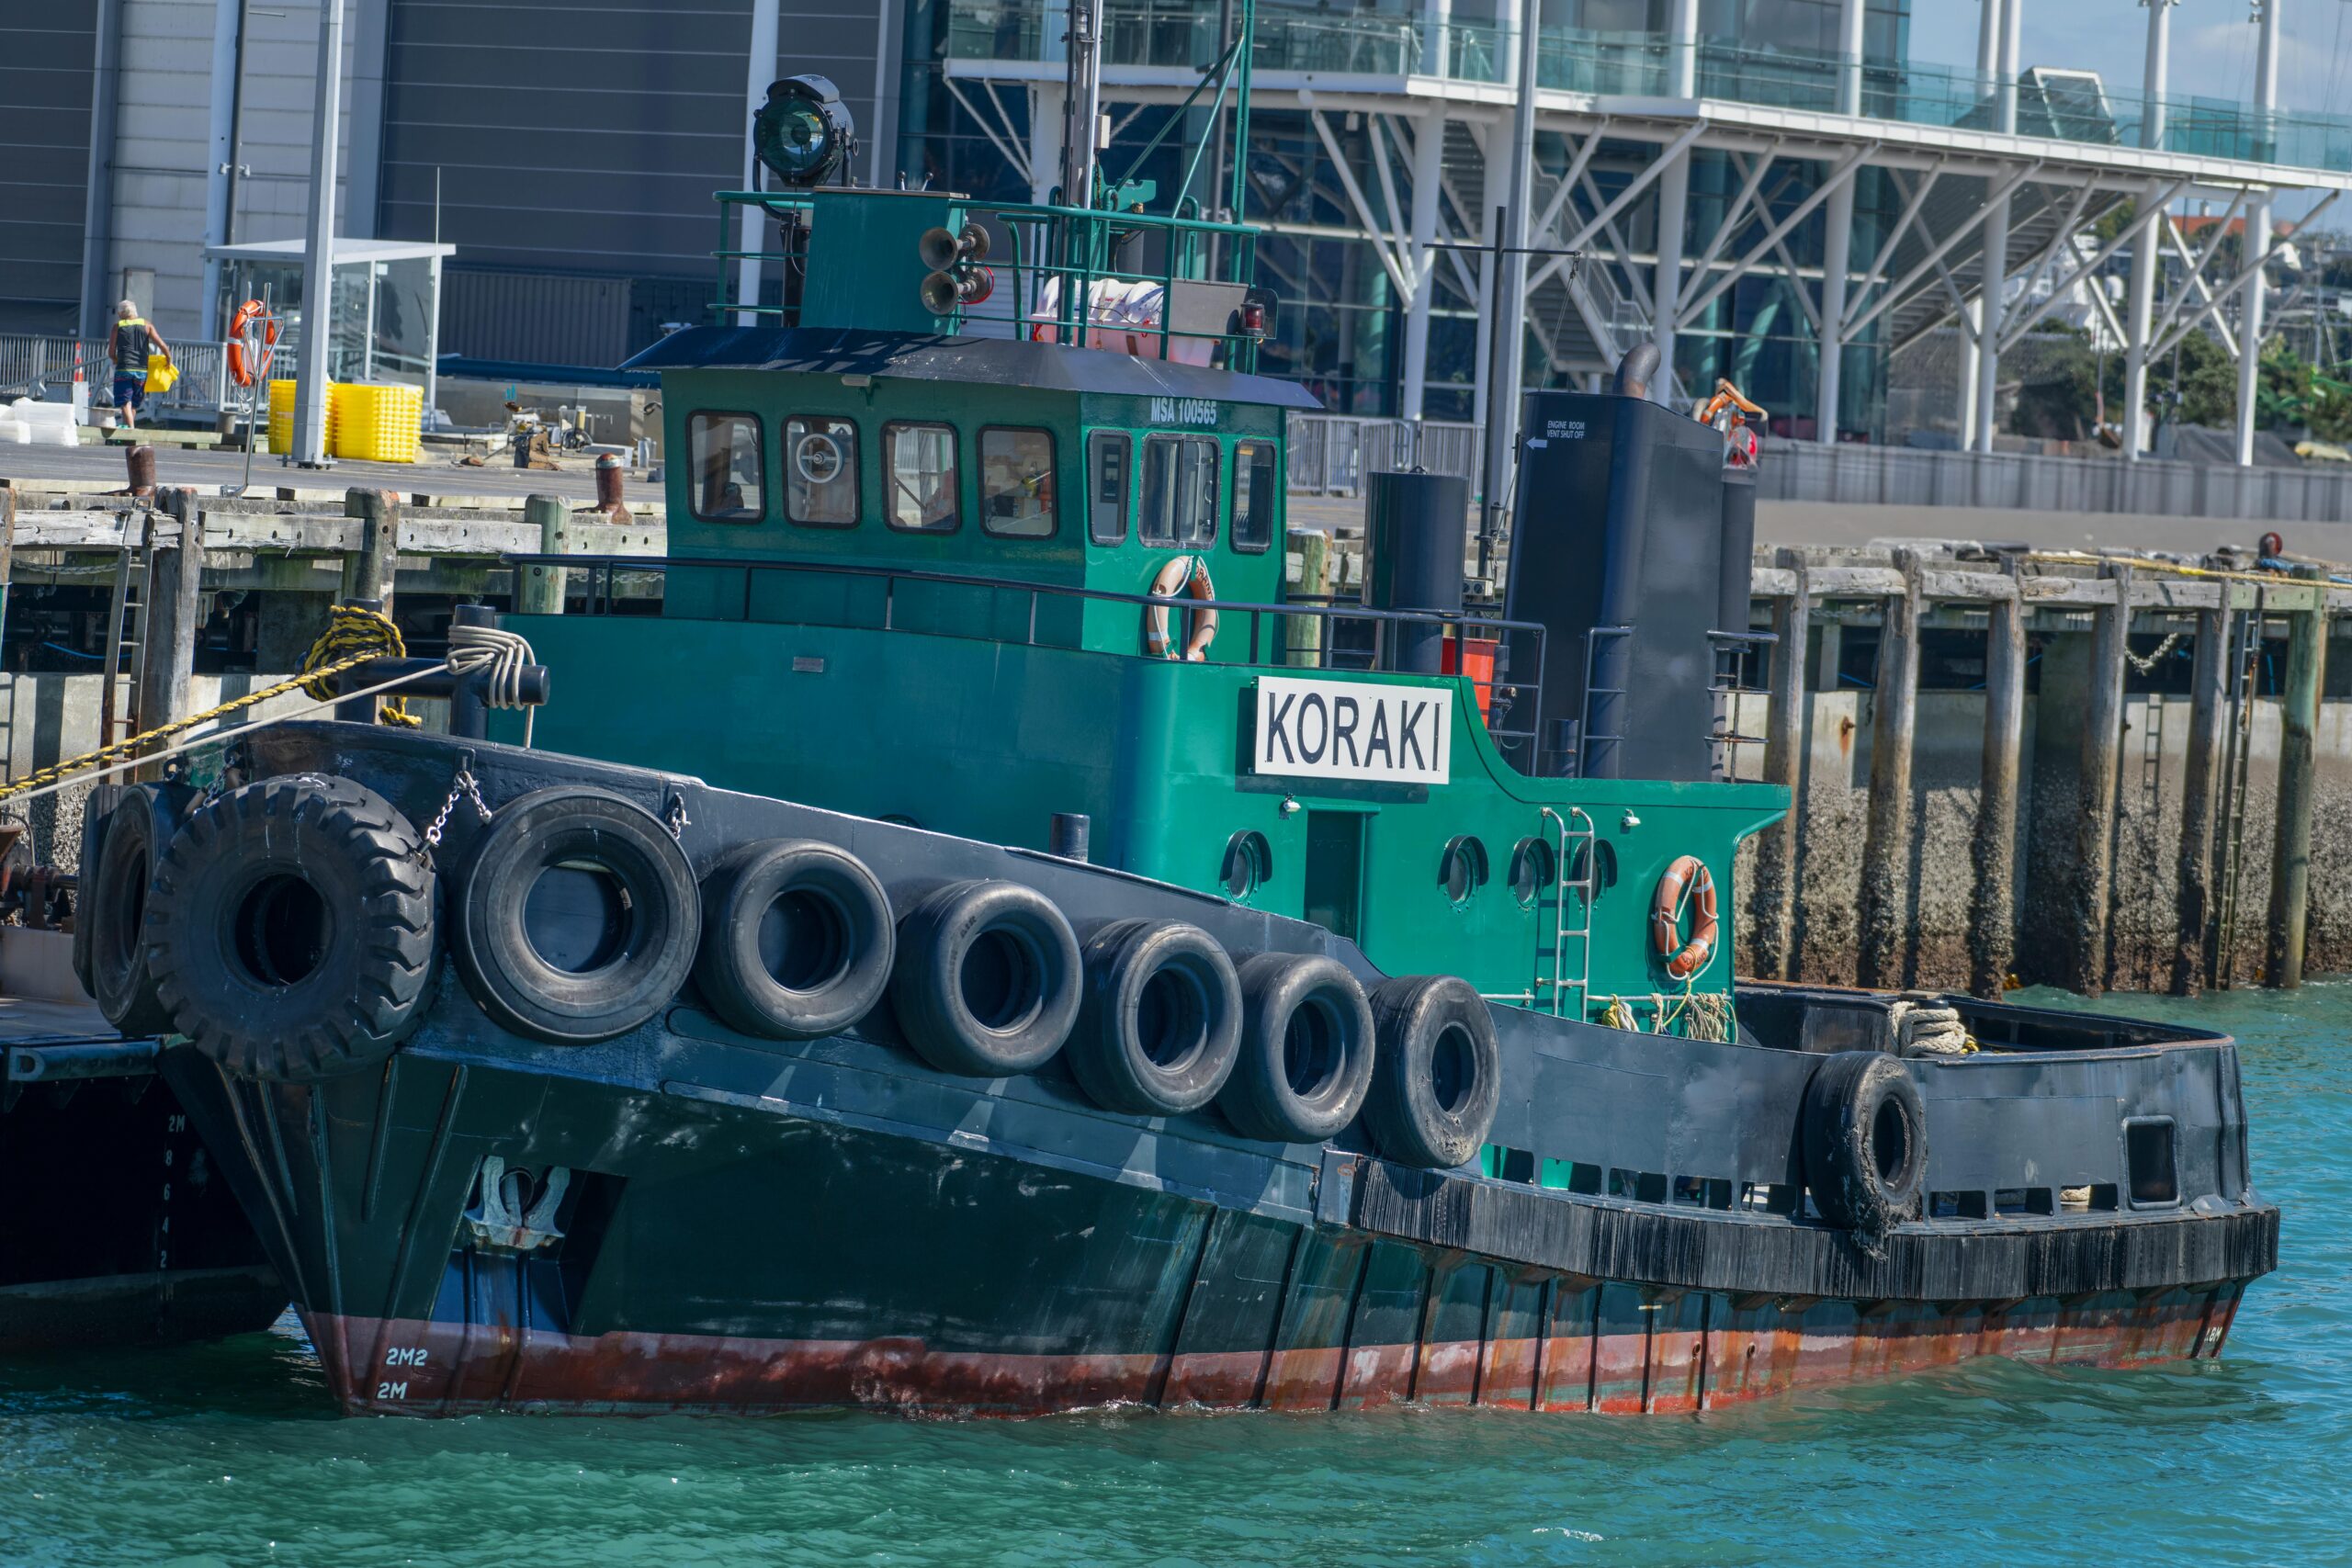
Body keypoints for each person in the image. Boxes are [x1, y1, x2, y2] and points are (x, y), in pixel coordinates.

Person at [110, 299, 169, 431]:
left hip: (124, 369)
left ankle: (131, 431)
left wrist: (115, 359)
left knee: (125, 403)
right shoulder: (147, 325)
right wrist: (168, 359)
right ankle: (128, 429)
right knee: (133, 405)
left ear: (121, 313)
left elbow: (111, 352)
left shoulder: (118, 326)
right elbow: (162, 345)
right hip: (141, 371)